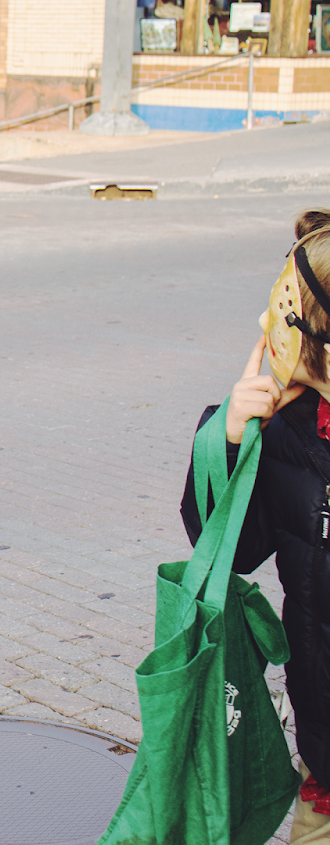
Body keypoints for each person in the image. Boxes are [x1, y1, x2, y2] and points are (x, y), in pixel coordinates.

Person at [183, 209, 330, 844]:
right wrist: (230, 439)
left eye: (282, 309)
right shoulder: (289, 430)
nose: (265, 323)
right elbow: (231, 551)